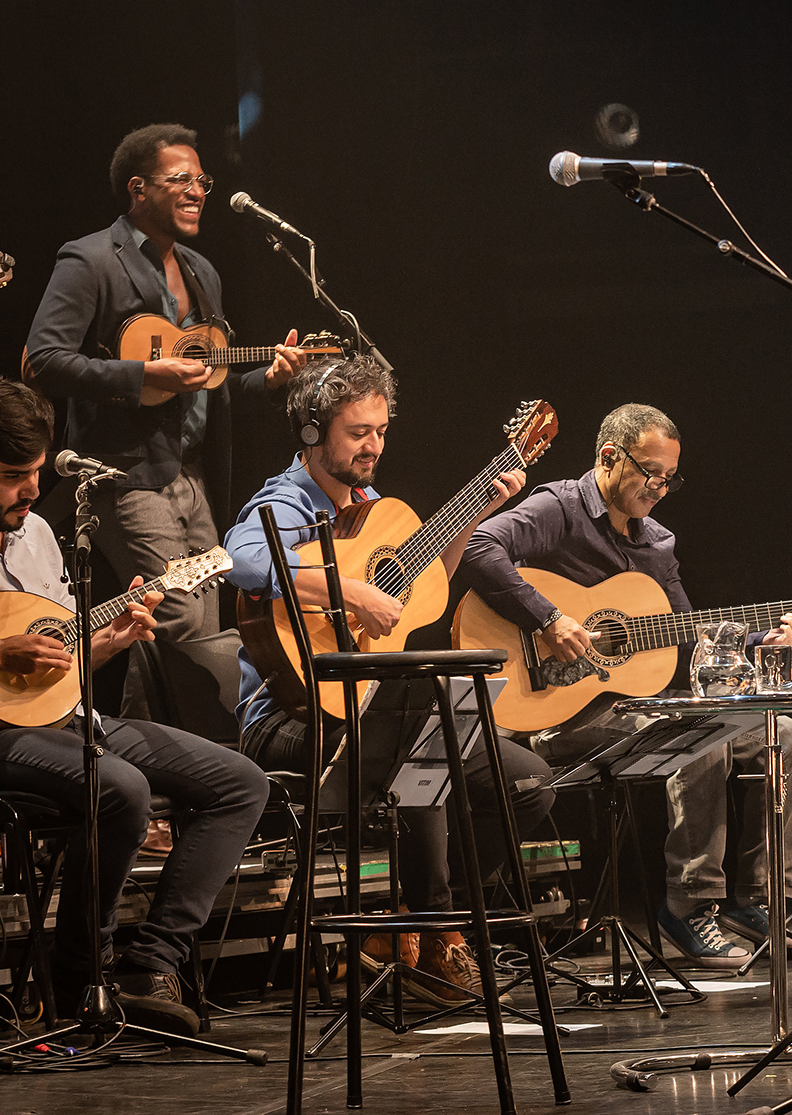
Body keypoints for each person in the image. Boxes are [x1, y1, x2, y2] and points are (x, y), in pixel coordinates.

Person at [222, 358, 541, 1005]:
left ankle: (402, 934)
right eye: (357, 431)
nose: (373, 445)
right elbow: (241, 559)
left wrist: (475, 513)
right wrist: (350, 591)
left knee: (527, 784)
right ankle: (439, 927)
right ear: (312, 434)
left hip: (373, 715)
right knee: (423, 717)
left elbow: (425, 587)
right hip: (289, 720)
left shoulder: (370, 511)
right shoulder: (285, 500)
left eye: (382, 430)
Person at [457, 403, 792, 969]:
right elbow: (477, 547)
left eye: (671, 479)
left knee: (785, 733)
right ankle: (688, 904)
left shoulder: (657, 543)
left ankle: (762, 900)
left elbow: (690, 634)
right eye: (652, 474)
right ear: (608, 458)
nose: (661, 489)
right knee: (702, 735)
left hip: (625, 705)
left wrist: (761, 639)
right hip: (555, 707)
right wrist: (549, 618)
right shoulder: (560, 508)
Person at [0, 379, 270, 1035]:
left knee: (239, 781)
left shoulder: (36, 535)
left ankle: (148, 964)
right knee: (120, 786)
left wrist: (107, 642)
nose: (31, 491)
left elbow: (54, 664)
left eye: (35, 473)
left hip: (65, 722)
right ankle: (76, 981)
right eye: (12, 476)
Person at [24, 123, 308, 660]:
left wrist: (269, 379)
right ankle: (158, 740)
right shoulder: (90, 260)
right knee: (174, 613)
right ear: (138, 189)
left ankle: (172, 740)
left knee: (203, 618)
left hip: (195, 471)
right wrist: (143, 377)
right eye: (182, 179)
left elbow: (211, 378)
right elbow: (44, 360)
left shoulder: (203, 272)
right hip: (125, 472)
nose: (198, 191)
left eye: (202, 180)